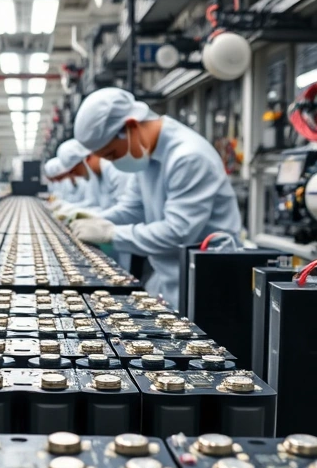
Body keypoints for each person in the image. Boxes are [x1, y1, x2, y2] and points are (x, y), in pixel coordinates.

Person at [69, 87, 241, 306]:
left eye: (112, 154)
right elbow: (133, 209)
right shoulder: (145, 157)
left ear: (130, 127)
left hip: (209, 286)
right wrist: (92, 219)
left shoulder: (188, 157)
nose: (113, 163)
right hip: (170, 279)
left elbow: (178, 232)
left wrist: (111, 234)